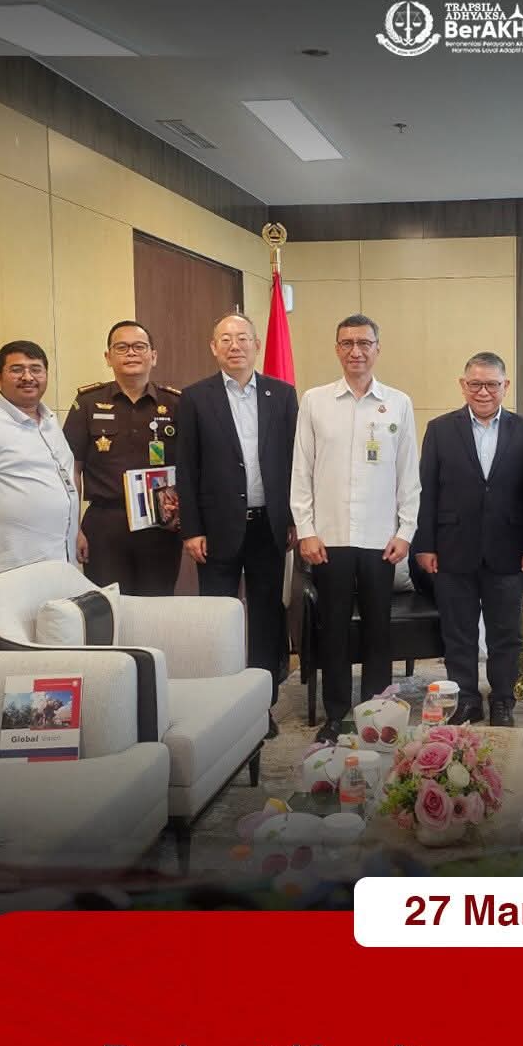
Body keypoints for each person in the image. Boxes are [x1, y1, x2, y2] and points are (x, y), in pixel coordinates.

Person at [290, 314, 420, 743]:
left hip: (381, 540)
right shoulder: (315, 400)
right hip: (329, 539)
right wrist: (306, 529)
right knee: (334, 631)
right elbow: (301, 470)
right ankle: (336, 714)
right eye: (347, 343)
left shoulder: (398, 402)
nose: (356, 351)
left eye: (364, 343)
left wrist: (405, 531)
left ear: (378, 349)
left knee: (378, 631)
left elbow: (408, 474)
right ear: (336, 349)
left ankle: (376, 713)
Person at [175, 313, 298, 737]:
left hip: (269, 525)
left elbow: (294, 462)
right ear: (214, 348)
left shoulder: (282, 395)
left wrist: (294, 519)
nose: (235, 346)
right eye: (225, 339)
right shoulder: (195, 397)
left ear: (257, 344)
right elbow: (186, 468)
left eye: (242, 338)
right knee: (218, 620)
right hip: (216, 528)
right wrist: (191, 529)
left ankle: (261, 706)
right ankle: (220, 704)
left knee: (266, 617)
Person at [415, 352, 523, 727]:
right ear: (462, 385)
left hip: (509, 549)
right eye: (475, 384)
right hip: (452, 547)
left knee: (506, 633)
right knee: (459, 633)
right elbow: (427, 490)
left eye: (491, 384)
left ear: (505, 386)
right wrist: (425, 544)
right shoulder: (440, 429)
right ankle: (466, 699)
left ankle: (503, 700)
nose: (483, 392)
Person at [63, 320, 183, 595]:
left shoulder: (176, 404)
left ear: (153, 355)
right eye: (122, 347)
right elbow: (72, 470)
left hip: (160, 524)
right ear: (108, 357)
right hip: (105, 523)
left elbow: (192, 466)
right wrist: (73, 528)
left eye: (139, 347)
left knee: (156, 604)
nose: (131, 353)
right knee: (108, 605)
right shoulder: (87, 404)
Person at [0, 341, 78, 585]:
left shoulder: (50, 422)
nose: (28, 377)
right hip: (5, 569)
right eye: (17, 369)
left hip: (59, 563)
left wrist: (76, 532)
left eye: (36, 369)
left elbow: (65, 483)